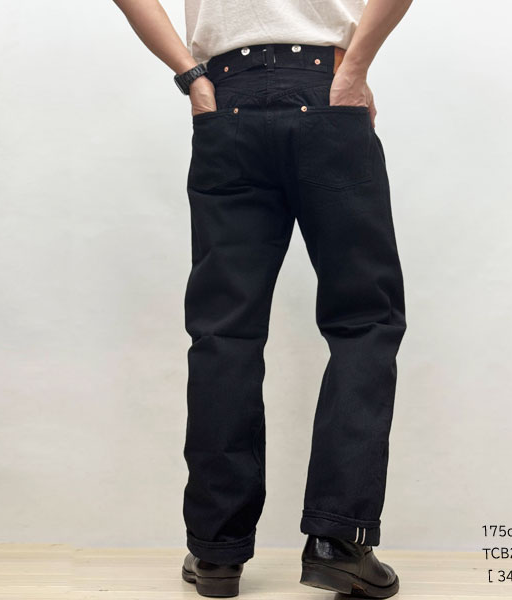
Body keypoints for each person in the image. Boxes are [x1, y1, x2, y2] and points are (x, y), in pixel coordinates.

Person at [113, 0, 413, 597]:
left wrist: (192, 77)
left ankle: (216, 552)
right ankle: (339, 542)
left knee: (223, 333)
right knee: (365, 321)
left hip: (227, 103)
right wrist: (352, 71)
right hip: (327, 94)